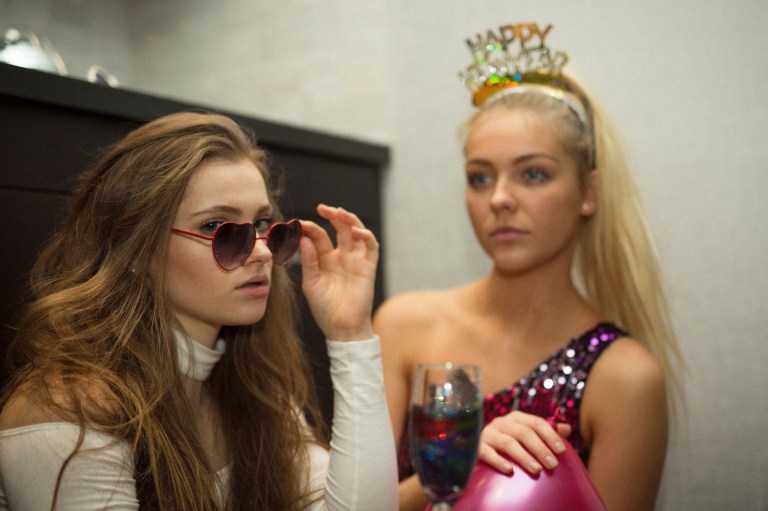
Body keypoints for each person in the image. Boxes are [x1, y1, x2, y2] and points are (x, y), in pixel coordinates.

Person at [0, 112, 398, 510]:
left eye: (262, 222)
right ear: (139, 250)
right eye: (216, 228)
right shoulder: (72, 410)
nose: (260, 251)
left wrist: (350, 334)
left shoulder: (257, 388)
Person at [374, 22, 684, 511]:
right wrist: (460, 463)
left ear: (588, 192)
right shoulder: (402, 325)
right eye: (480, 178)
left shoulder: (624, 378)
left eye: (533, 174)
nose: (499, 198)